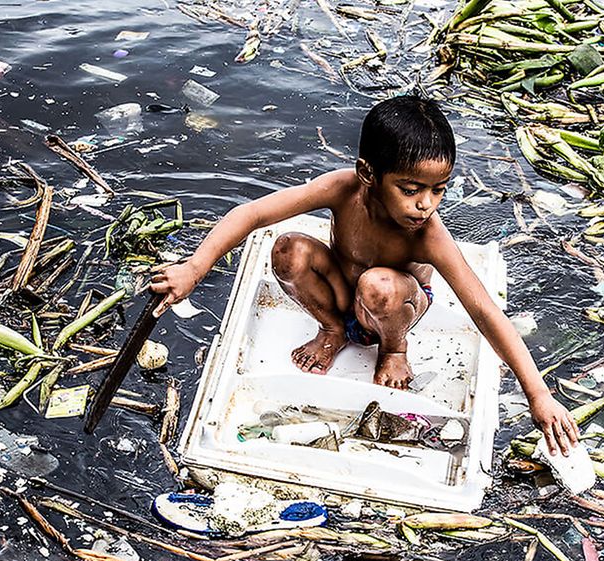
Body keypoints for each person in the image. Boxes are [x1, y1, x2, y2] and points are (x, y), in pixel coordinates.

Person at [149, 95, 579, 455]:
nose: (425, 204)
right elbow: (254, 213)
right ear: (368, 174)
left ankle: (393, 348)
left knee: (379, 285)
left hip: (394, 302)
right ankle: (333, 329)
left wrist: (538, 393)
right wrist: (194, 267)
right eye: (410, 190)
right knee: (288, 249)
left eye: (438, 189)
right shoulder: (342, 189)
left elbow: (484, 311)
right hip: (342, 288)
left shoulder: (427, 234)